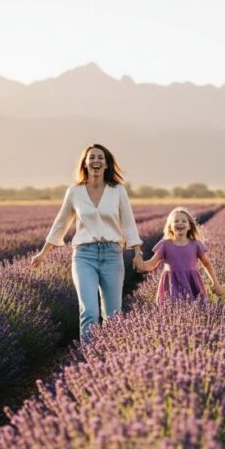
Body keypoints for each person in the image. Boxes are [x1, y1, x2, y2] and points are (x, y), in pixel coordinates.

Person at [31, 143, 144, 339]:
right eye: (91, 157)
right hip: (84, 255)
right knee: (89, 312)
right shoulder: (74, 191)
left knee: (113, 316)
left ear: (107, 164)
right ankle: (90, 360)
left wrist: (137, 252)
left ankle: (112, 361)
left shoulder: (118, 190)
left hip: (112, 254)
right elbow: (61, 223)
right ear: (85, 163)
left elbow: (128, 223)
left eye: (100, 157)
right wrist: (43, 253)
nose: (96, 161)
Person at [139, 207, 219, 302]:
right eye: (176, 221)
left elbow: (207, 263)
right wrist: (139, 264)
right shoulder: (165, 244)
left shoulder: (196, 244)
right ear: (170, 227)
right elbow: (152, 264)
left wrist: (215, 282)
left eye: (184, 221)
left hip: (191, 282)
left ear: (189, 226)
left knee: (195, 307)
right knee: (171, 308)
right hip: (171, 283)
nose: (180, 223)